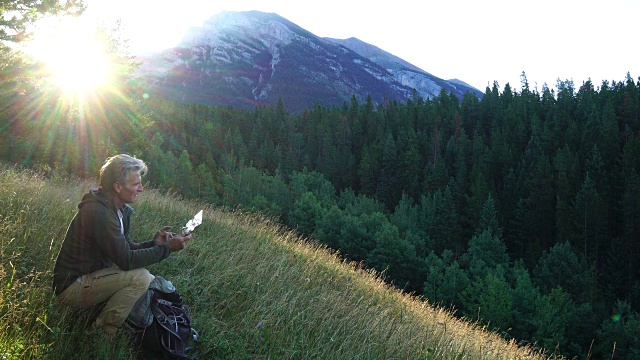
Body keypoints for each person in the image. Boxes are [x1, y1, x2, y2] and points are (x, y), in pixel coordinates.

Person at [52, 154, 191, 335]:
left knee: (147, 279)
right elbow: (126, 260)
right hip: (71, 288)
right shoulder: (99, 213)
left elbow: (124, 248)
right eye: (135, 184)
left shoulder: (118, 210)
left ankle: (114, 319)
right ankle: (102, 331)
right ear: (117, 187)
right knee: (140, 277)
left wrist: (154, 243)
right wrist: (166, 249)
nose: (140, 189)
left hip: (91, 277)